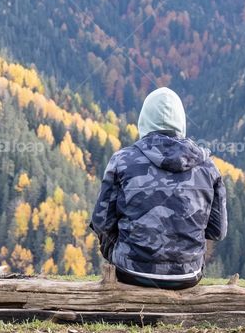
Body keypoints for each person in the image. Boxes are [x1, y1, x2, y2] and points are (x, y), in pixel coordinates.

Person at [90, 87, 226, 289]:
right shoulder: (208, 167)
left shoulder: (122, 160)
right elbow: (217, 232)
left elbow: (101, 223)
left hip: (131, 272)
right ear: (181, 122)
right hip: (188, 275)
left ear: (144, 121)